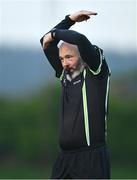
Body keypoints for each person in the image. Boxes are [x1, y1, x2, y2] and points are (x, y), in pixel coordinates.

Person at [40, 10, 111, 179]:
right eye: (62, 58)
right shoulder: (66, 73)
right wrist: (69, 19)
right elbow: (45, 42)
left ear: (82, 55)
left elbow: (79, 39)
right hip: (64, 158)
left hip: (91, 157)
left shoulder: (95, 69)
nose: (64, 63)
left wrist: (55, 33)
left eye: (69, 57)